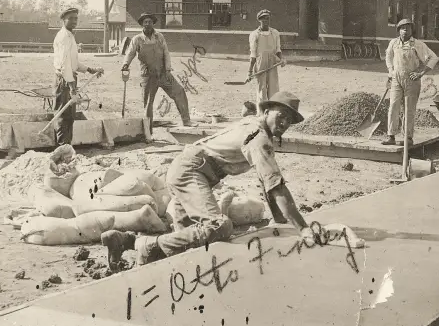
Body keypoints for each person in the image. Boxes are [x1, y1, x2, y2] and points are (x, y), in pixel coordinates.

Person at [100, 91, 313, 268]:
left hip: (188, 169)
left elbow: (266, 182)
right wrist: (302, 228)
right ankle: (146, 245)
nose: (285, 122)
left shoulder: (254, 126)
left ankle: (125, 241)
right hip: (192, 171)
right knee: (219, 226)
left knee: (185, 247)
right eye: (281, 115)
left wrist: (281, 222)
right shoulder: (259, 139)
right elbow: (277, 188)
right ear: (266, 111)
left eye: (290, 120)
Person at [121, 13, 191, 128]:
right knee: (148, 103)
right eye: (145, 22)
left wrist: (168, 69)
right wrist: (125, 64)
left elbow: (166, 53)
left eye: (150, 22)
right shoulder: (137, 39)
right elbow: (130, 53)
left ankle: (186, 121)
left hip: (163, 73)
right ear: (142, 24)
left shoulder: (159, 37)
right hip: (148, 76)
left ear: (153, 23)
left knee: (179, 92)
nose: (148, 24)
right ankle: (148, 130)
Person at [382, 18, 439, 146]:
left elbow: (433, 58)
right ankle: (391, 136)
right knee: (393, 106)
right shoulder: (393, 43)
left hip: (411, 80)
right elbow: (388, 56)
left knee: (409, 109)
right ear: (398, 30)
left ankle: (408, 137)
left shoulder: (418, 44)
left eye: (408, 28)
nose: (405, 31)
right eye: (402, 28)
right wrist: (390, 71)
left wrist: (421, 73)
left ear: (412, 30)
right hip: (396, 79)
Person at [52, 7, 104, 145]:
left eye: (76, 18)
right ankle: (62, 147)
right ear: (64, 20)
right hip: (64, 80)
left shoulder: (70, 36)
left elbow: (73, 62)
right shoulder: (63, 37)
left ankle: (67, 146)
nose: (75, 21)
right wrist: (71, 86)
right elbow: (64, 64)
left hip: (70, 78)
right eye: (71, 18)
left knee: (70, 116)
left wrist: (90, 69)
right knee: (63, 115)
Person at [248, 9, 286, 112]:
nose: (266, 20)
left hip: (273, 62)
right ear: (259, 20)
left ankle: (273, 111)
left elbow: (278, 49)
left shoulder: (275, 33)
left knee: (273, 88)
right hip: (260, 63)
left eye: (267, 18)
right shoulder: (254, 34)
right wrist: (250, 71)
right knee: (262, 89)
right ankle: (262, 112)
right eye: (263, 19)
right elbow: (253, 54)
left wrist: (281, 59)